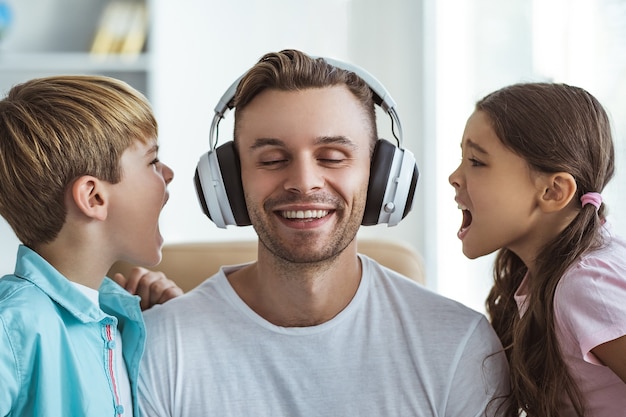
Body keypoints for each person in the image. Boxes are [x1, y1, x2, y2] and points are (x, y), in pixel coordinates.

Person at [135, 49, 509, 417]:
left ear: (381, 177)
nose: (303, 183)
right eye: (272, 160)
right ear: (229, 181)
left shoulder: (459, 345)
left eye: (332, 157)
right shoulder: (161, 347)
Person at [0, 75, 182, 416]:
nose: (168, 173)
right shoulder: (13, 324)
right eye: (152, 161)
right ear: (94, 197)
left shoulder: (121, 321)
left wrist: (177, 325)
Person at [448, 82, 626, 416]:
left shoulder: (586, 285)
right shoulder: (556, 274)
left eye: (476, 161)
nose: (454, 177)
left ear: (553, 191)